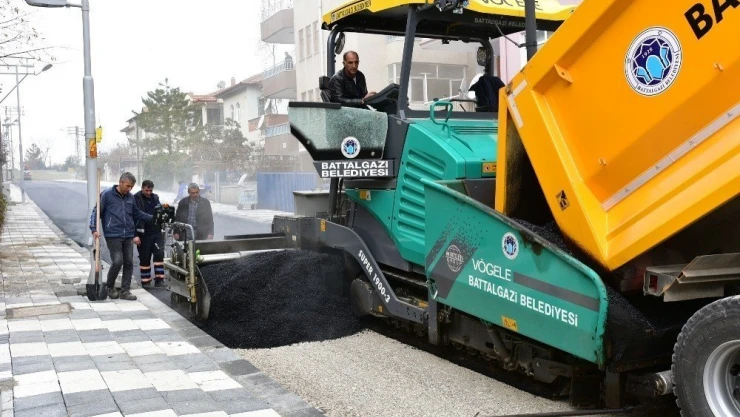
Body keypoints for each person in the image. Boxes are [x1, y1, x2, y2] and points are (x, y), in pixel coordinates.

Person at [90, 172, 153, 301]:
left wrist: (153, 217)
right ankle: (110, 287)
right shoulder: (107, 195)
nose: (129, 189)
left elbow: (136, 213)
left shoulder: (130, 198)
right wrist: (94, 228)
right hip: (113, 234)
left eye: (131, 187)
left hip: (128, 234)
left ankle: (125, 291)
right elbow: (97, 211)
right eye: (127, 186)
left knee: (129, 262)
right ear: (120, 182)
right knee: (118, 261)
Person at [133, 180, 165, 288]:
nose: (148, 193)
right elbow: (132, 218)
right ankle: (145, 281)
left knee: (159, 254)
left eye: (150, 190)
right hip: (143, 234)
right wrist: (134, 235)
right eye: (146, 190)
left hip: (157, 232)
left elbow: (160, 211)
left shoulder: (155, 198)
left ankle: (159, 279)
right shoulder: (135, 199)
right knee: (145, 257)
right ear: (142, 188)